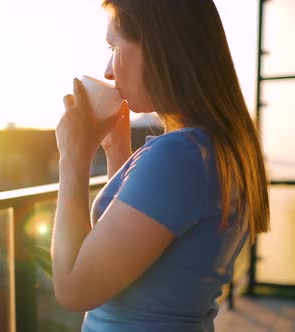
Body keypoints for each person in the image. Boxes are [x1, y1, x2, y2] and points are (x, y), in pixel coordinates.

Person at [51, 0, 270, 331]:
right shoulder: (213, 148)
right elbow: (143, 240)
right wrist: (117, 151)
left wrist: (72, 160)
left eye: (113, 46)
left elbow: (73, 289)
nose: (108, 70)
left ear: (157, 46)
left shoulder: (179, 155)